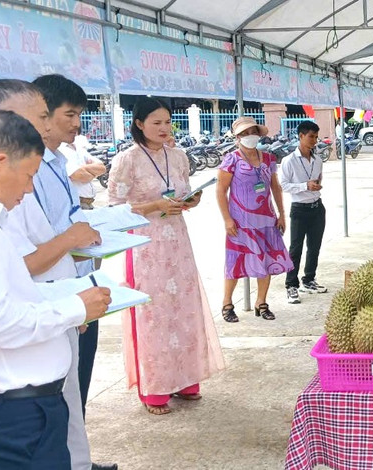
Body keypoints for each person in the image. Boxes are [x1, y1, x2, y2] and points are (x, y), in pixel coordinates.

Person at [0, 109, 111, 469]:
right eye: (28, 177)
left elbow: (4, 297)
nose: (27, 190)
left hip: (10, 409)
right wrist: (72, 310)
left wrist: (65, 310)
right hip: (11, 414)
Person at [108, 97, 225, 415]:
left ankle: (186, 379)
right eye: (156, 122)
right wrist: (154, 206)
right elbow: (113, 208)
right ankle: (155, 387)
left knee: (183, 310)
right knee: (153, 314)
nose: (163, 127)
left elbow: (184, 193)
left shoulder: (180, 156)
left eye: (167, 121)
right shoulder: (127, 159)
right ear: (139, 124)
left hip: (178, 244)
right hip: (146, 245)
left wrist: (191, 200)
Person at [216, 117, 292, 323]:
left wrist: (281, 213)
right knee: (235, 260)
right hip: (240, 221)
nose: (249, 136)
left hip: (266, 219)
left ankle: (261, 302)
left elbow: (275, 187)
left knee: (266, 259)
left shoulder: (268, 159)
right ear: (237, 137)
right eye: (244, 133)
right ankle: (227, 303)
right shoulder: (231, 159)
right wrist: (227, 219)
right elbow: (221, 190)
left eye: (252, 132)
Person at [280, 120, 329, 304]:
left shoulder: (317, 159)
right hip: (299, 209)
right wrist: (304, 185)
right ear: (301, 136)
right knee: (295, 248)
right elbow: (283, 185)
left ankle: (309, 279)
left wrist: (316, 186)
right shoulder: (289, 161)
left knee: (314, 246)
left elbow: (318, 178)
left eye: (316, 137)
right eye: (311, 137)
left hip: (317, 207)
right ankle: (291, 285)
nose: (314, 141)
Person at [62, 134, 106, 210]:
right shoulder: (60, 150)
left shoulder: (78, 147)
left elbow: (102, 168)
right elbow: (80, 175)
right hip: (75, 203)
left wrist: (82, 168)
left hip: (88, 202)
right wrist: (92, 172)